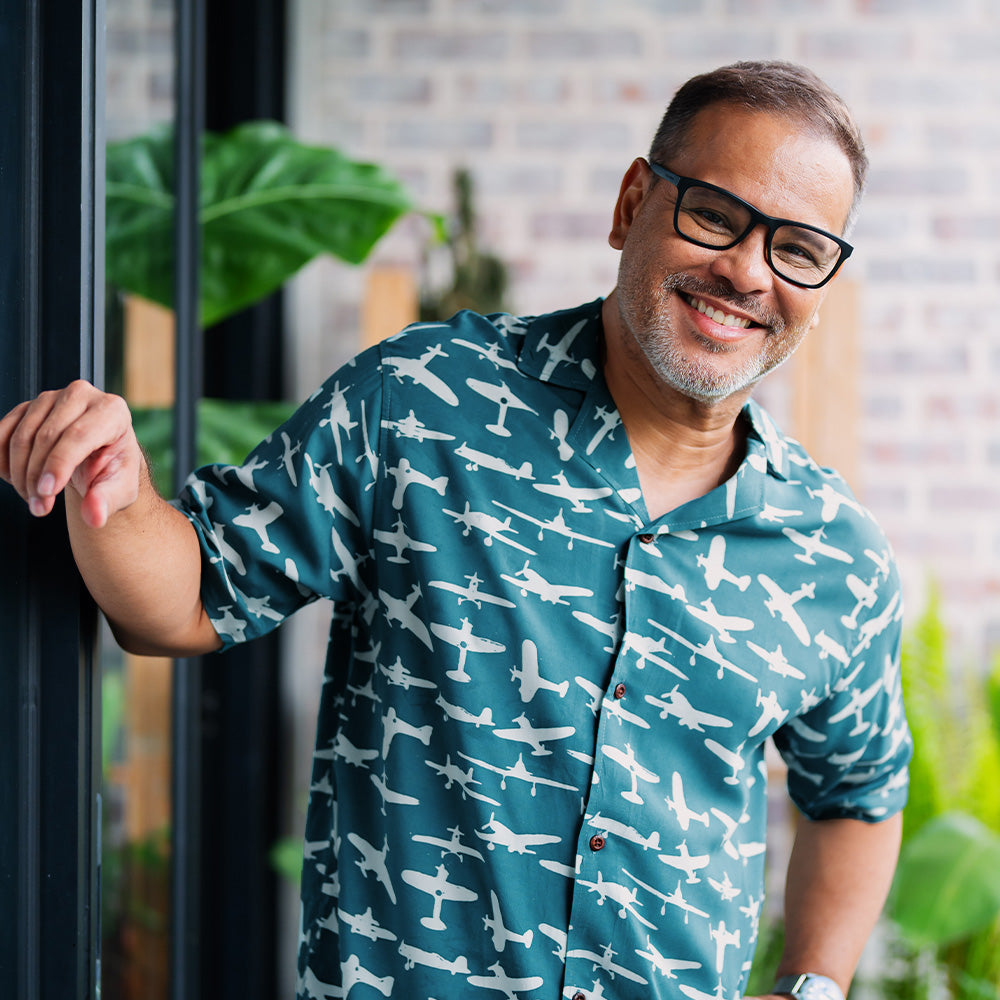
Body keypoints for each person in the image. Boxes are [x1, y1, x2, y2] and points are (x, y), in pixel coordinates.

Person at [1, 60, 910, 1000]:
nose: (746, 272)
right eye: (715, 216)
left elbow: (859, 796)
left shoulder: (834, 557)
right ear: (633, 202)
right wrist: (113, 478)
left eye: (797, 249)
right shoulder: (423, 403)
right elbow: (187, 596)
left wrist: (815, 985)